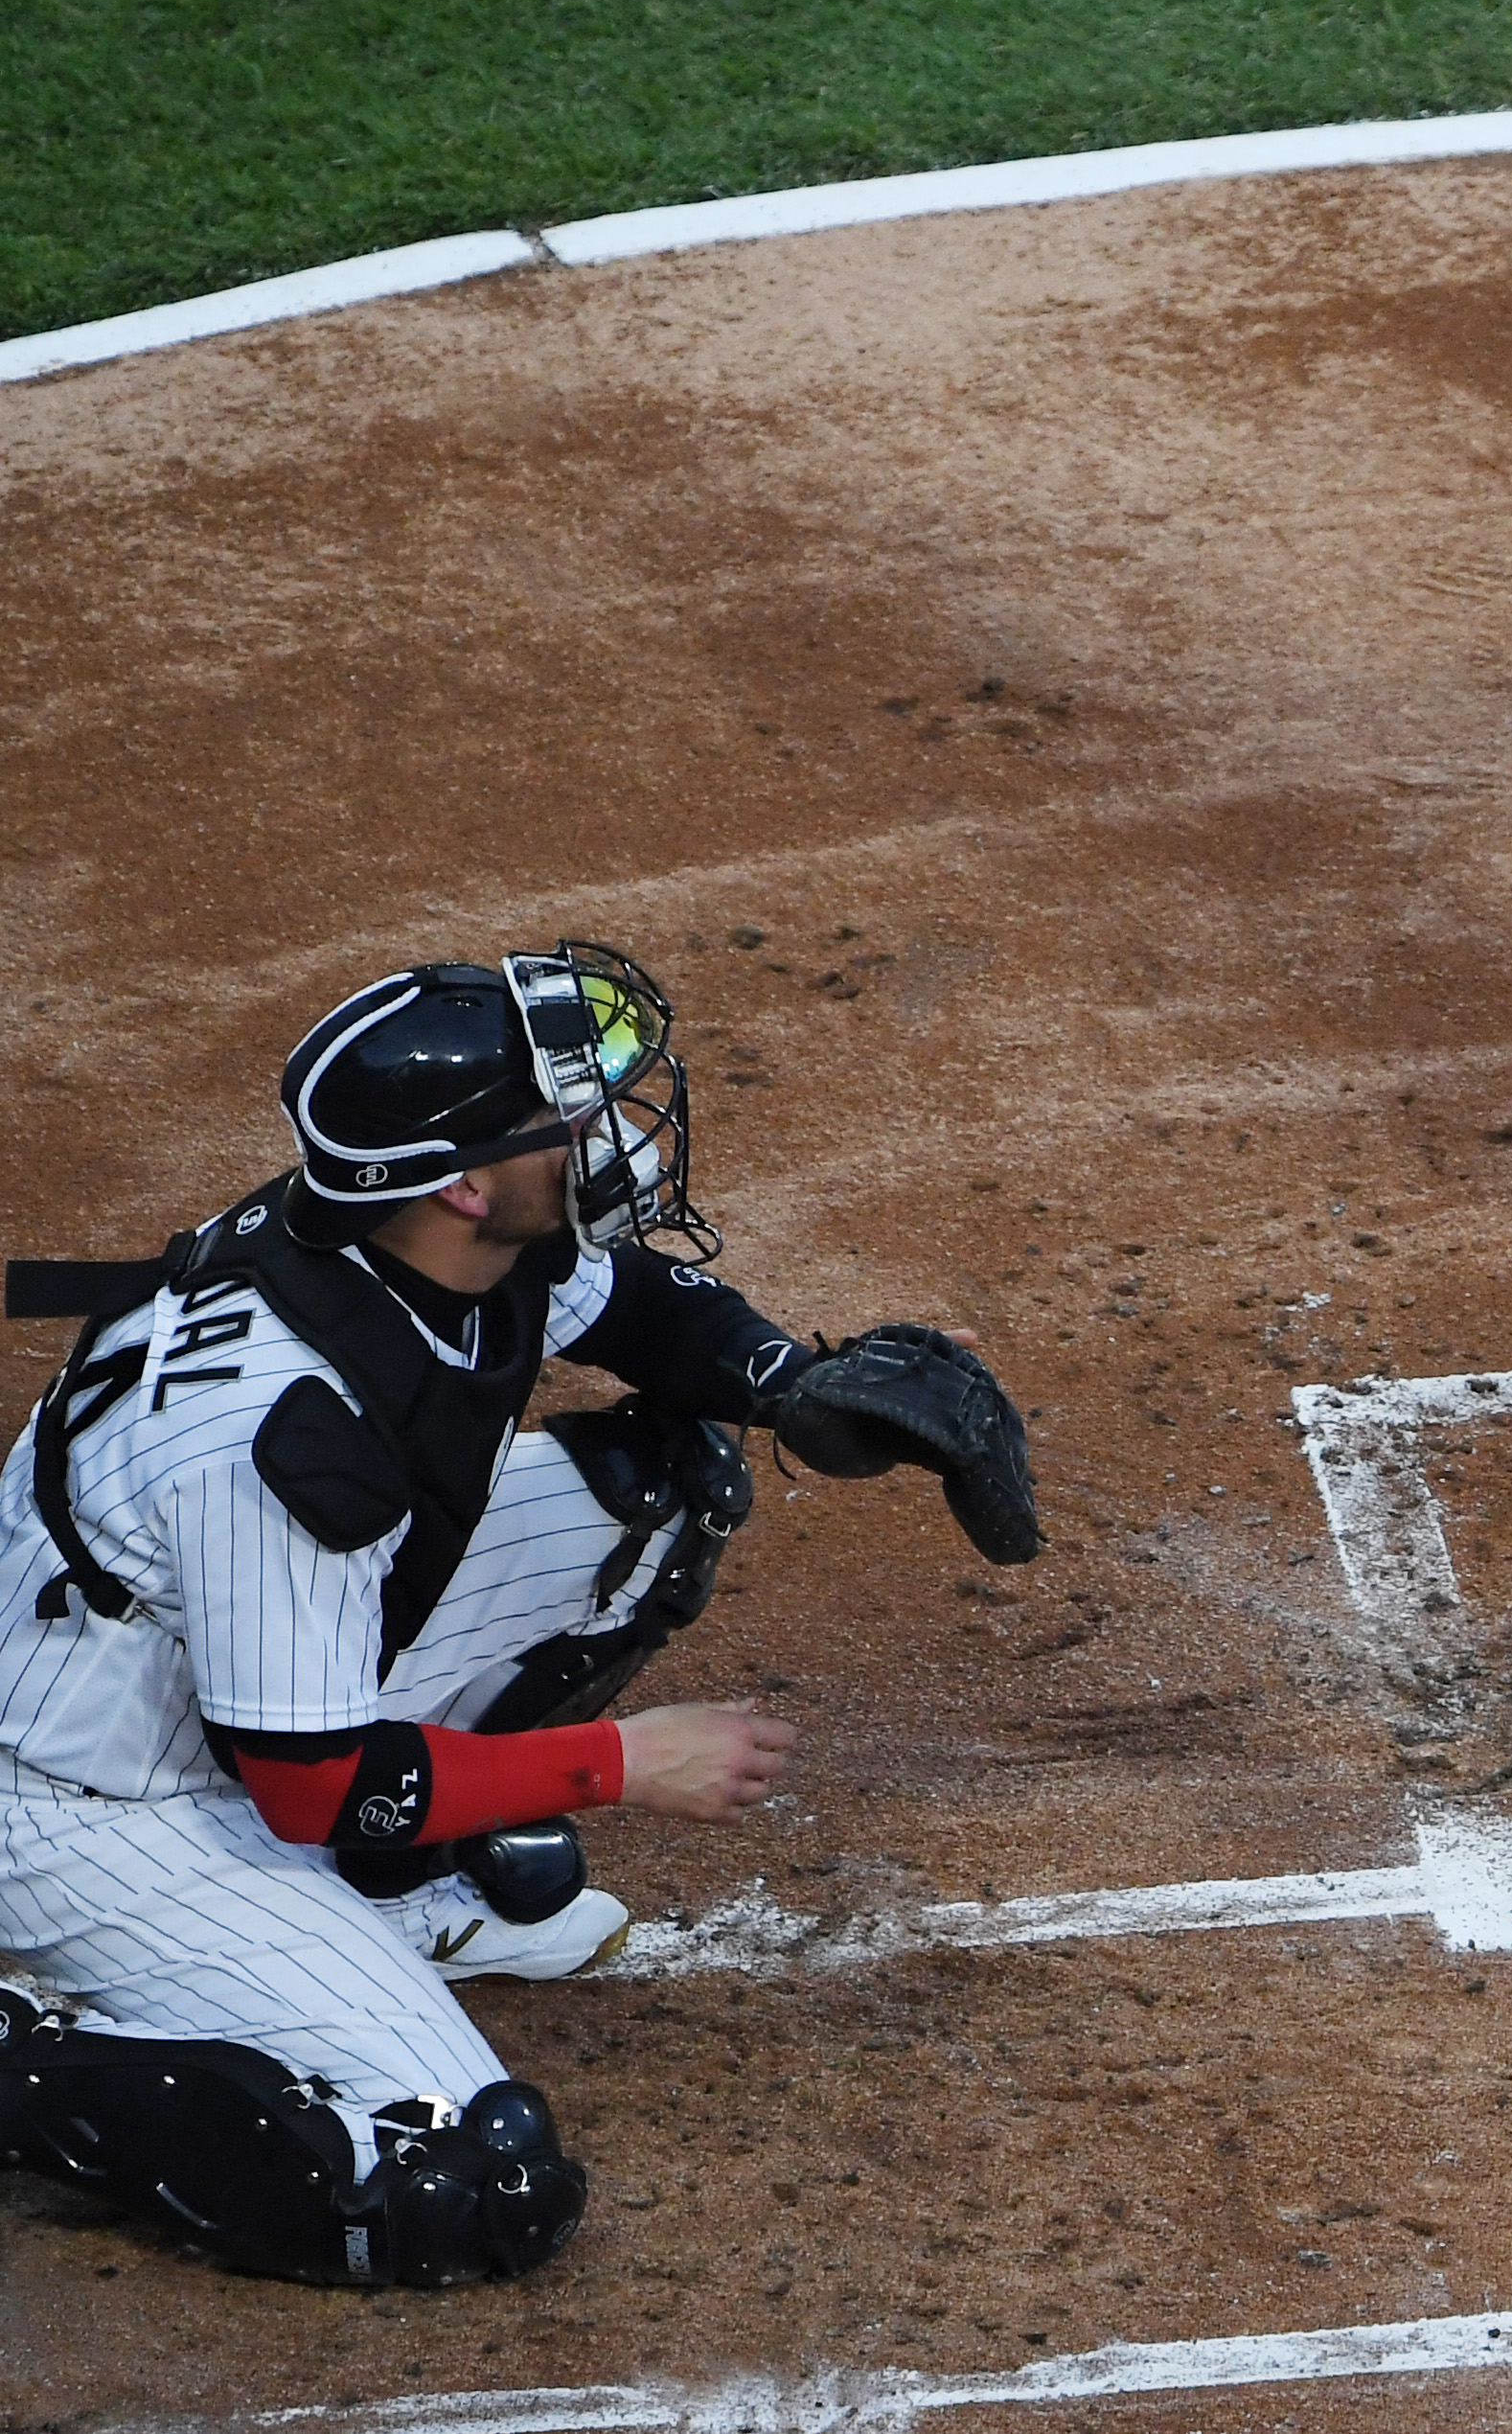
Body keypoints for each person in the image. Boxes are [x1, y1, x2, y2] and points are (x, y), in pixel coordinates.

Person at [0, 943, 1035, 2285]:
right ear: (463, 1178)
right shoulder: (285, 1434)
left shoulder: (426, 1243)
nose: (609, 1127)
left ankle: (380, 1891)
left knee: (656, 1493)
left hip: (203, 1678)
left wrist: (793, 1381)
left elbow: (645, 1309)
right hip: (85, 1805)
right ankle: (31, 2058)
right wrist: (618, 1763)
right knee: (460, 2186)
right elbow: (313, 1784)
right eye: (572, 1114)